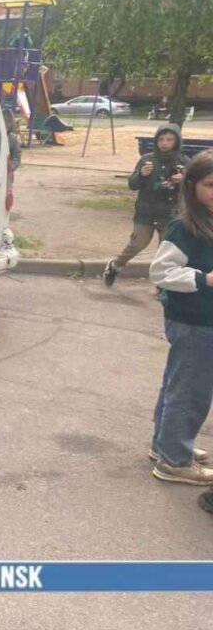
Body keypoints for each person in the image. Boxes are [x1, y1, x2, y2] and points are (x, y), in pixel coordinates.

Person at [148, 151, 213, 484]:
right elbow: (161, 272)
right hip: (193, 320)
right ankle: (175, 460)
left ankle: (166, 443)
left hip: (203, 319)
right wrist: (203, 279)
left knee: (178, 382)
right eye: (210, 185)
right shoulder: (184, 227)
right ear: (190, 186)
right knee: (191, 390)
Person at [103, 124, 187, 286]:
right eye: (161, 139)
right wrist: (141, 175)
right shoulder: (146, 159)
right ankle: (115, 265)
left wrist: (184, 180)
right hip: (146, 211)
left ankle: (163, 286)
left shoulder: (184, 162)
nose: (164, 143)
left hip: (171, 213)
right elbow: (132, 184)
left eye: (169, 139)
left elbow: (196, 187)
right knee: (137, 243)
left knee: (165, 252)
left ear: (176, 141)